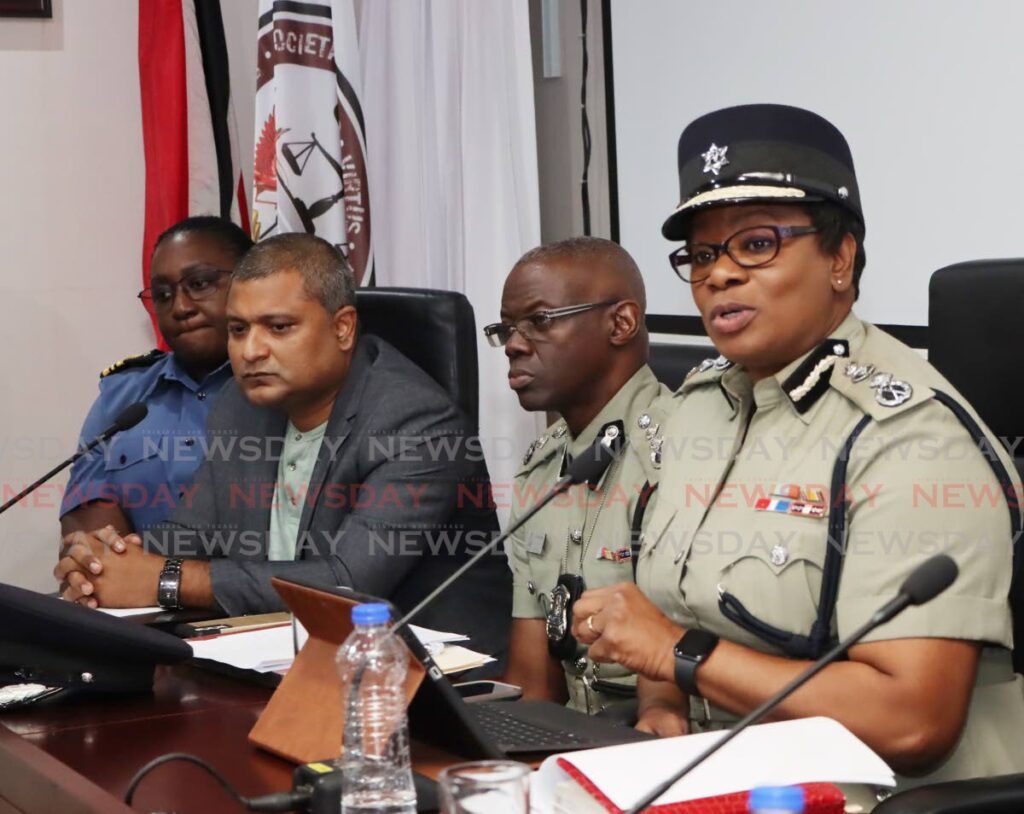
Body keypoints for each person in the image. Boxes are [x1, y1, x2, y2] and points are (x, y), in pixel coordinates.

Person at [570, 104, 1024, 792]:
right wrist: (662, 704)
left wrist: (679, 656)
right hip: (713, 781)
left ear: (840, 258)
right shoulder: (695, 409)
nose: (718, 275)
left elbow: (913, 722)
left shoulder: (909, 440)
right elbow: (668, 618)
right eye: (700, 254)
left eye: (755, 245)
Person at [55, 233, 510, 657]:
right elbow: (190, 533)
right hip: (287, 657)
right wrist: (103, 565)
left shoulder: (416, 422)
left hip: (428, 678)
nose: (250, 351)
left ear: (343, 328)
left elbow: (348, 582)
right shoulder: (242, 404)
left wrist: (166, 579)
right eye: (238, 330)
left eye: (277, 327)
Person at [487, 237, 676, 713]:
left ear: (621, 323)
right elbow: (534, 684)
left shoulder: (683, 455)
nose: (513, 344)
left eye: (539, 321)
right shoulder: (542, 467)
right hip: (574, 747)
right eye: (507, 327)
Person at [60, 217, 252, 538]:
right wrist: (95, 563)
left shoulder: (291, 387)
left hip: (253, 586)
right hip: (138, 587)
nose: (180, 307)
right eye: (163, 294)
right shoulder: (122, 396)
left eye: (200, 283)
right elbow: (87, 521)